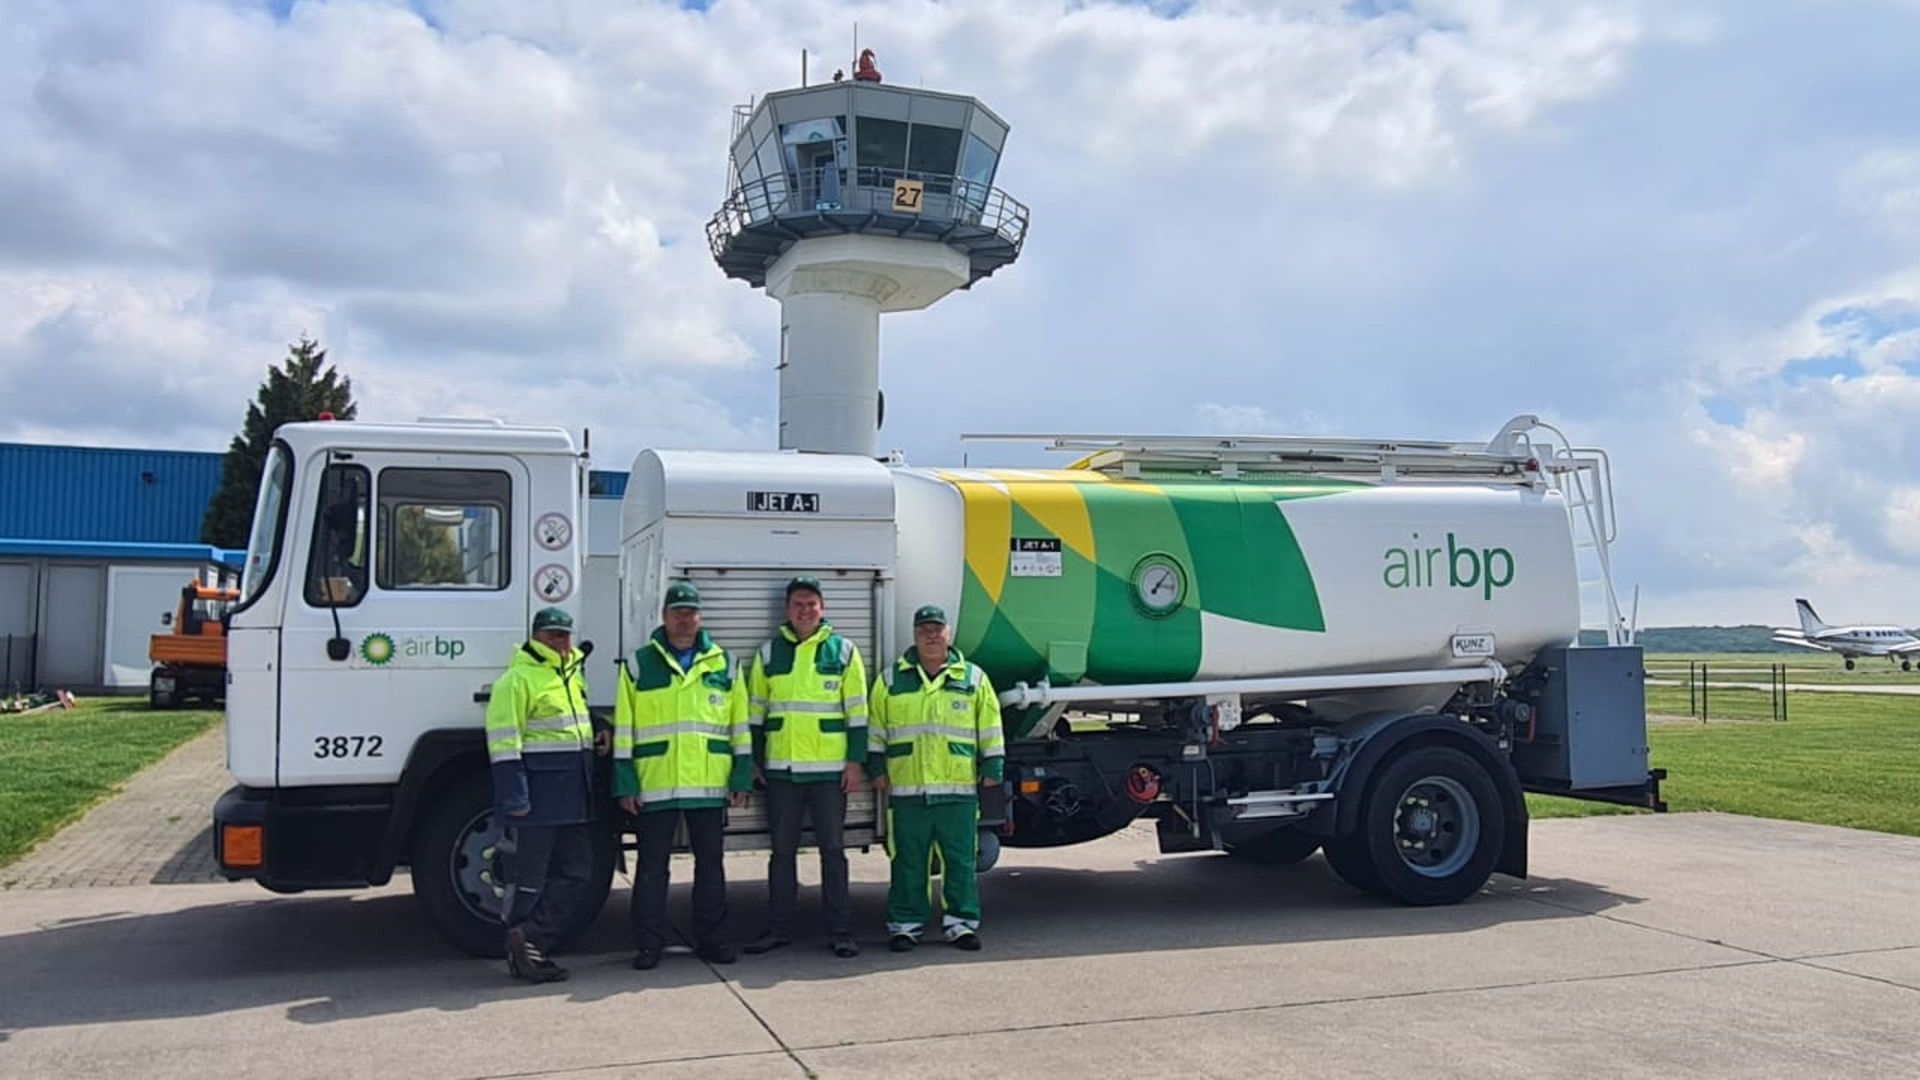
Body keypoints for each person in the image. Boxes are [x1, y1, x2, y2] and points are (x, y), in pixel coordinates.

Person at [614, 581, 753, 970]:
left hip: (709, 785)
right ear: (664, 617)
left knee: (711, 867)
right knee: (652, 869)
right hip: (655, 783)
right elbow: (624, 726)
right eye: (677, 611)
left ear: (700, 617)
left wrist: (741, 775)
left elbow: (739, 725)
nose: (684, 619)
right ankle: (648, 945)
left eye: (691, 612)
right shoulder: (640, 663)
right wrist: (625, 781)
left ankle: (712, 939)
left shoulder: (725, 664)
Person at [742, 576, 869, 959]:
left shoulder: (844, 652)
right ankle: (779, 929)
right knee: (782, 854)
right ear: (786, 610)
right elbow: (755, 714)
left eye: (811, 604)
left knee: (833, 851)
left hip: (830, 775)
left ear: (823, 608)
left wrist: (855, 763)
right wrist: (754, 760)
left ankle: (841, 931)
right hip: (782, 773)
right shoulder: (768, 655)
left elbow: (859, 713)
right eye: (797, 604)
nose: (804, 610)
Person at [866, 604, 1004, 952]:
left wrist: (993, 766)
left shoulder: (973, 679)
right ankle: (905, 924)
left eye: (936, 629)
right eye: (924, 629)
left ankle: (961, 924)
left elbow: (989, 727)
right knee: (908, 861)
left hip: (957, 791)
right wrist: (876, 767)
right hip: (907, 790)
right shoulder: (891, 679)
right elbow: (876, 729)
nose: (931, 635)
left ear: (949, 633)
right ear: (914, 635)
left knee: (961, 861)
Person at [486, 606, 596, 983]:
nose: (561, 642)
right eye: (552, 635)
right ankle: (526, 952)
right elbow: (504, 743)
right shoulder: (517, 679)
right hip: (536, 802)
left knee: (579, 872)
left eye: (565, 635)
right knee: (528, 881)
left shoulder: (570, 675)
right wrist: (514, 799)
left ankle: (530, 940)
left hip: (572, 799)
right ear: (536, 636)